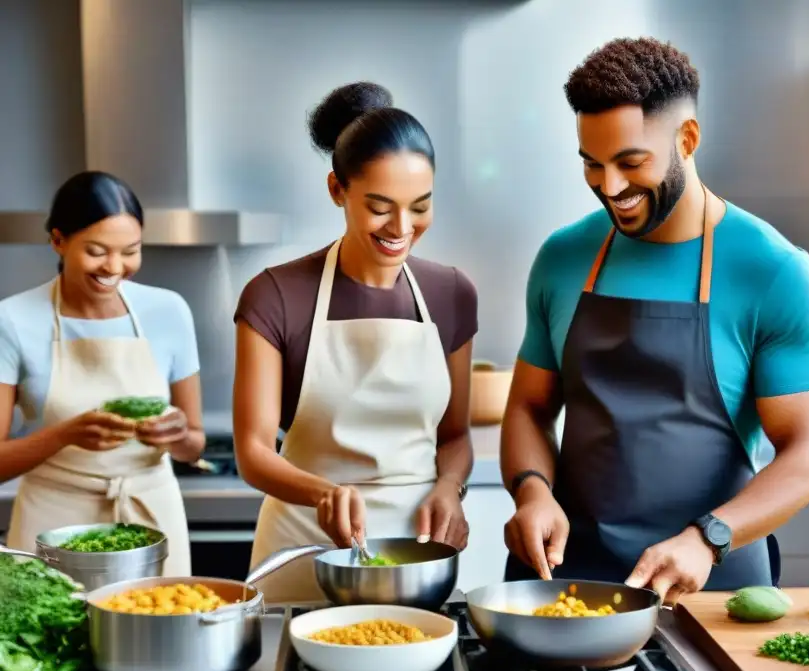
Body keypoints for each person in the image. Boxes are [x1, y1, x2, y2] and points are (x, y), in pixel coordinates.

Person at [500, 38, 809, 602]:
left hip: (709, 589)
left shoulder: (773, 271)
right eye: (592, 164)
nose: (609, 188)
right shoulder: (562, 258)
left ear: (687, 139)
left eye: (631, 162)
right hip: (563, 579)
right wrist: (533, 492)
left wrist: (707, 539)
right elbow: (529, 407)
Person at [233, 82, 478, 603]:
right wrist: (322, 492)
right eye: (380, 207)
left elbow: (454, 437)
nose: (402, 227)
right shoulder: (275, 294)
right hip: (303, 545)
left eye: (420, 207)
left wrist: (448, 490)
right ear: (337, 190)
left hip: (419, 555)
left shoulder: (451, 293)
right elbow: (253, 451)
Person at [0, 171, 204, 574]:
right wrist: (66, 434)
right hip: (52, 518)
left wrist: (177, 435)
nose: (115, 266)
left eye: (131, 250)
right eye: (97, 251)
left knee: (154, 627)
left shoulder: (169, 311)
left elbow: (194, 446)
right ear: (58, 240)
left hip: (150, 515)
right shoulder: (13, 319)